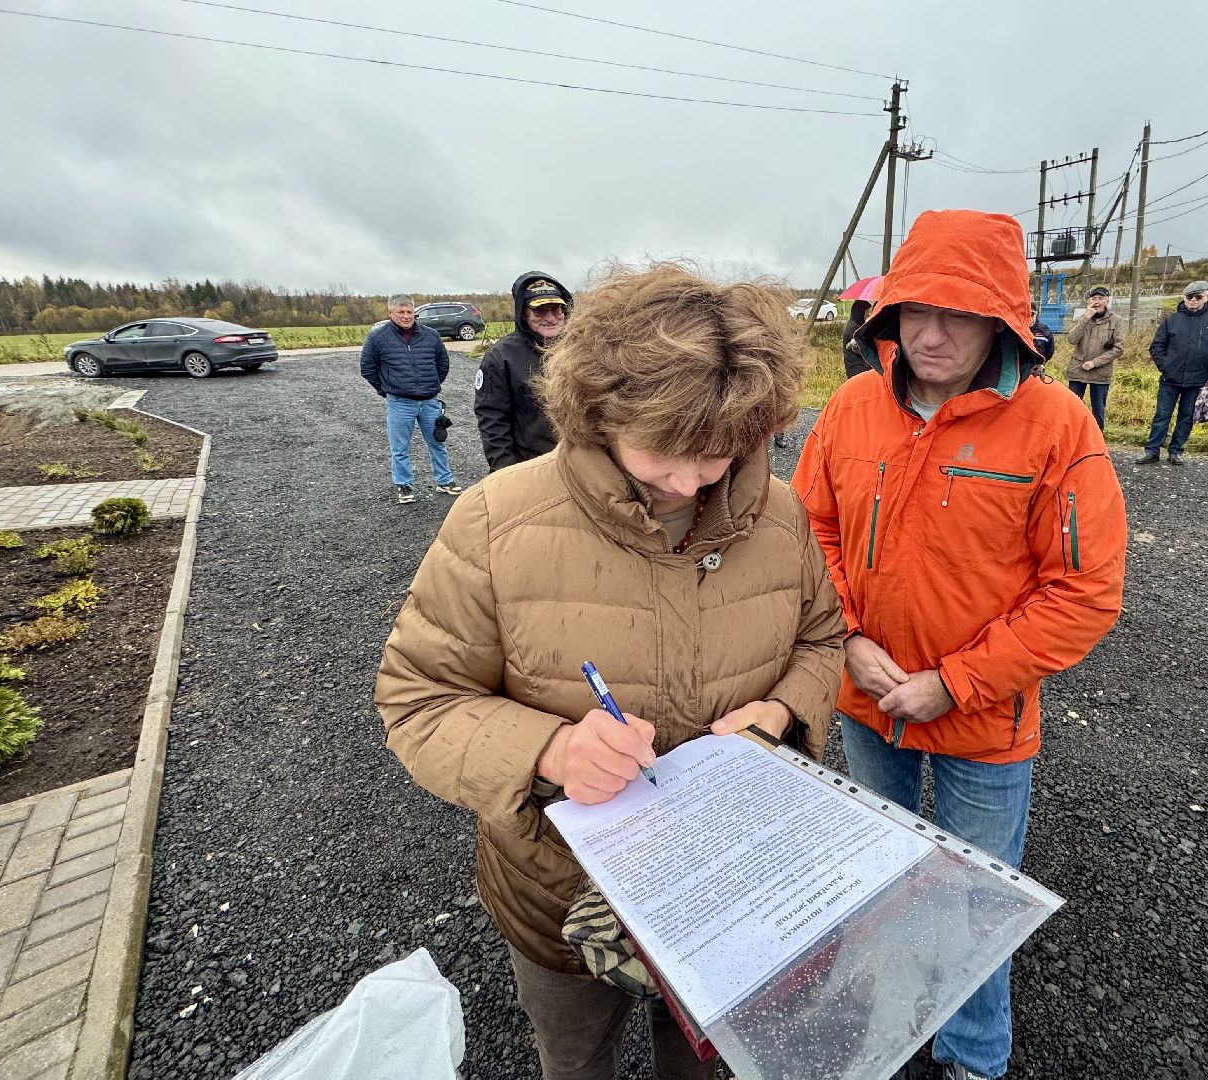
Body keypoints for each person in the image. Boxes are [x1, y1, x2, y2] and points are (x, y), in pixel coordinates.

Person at [377, 263, 847, 1080]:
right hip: (560, 894)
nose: (688, 482)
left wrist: (778, 714)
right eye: (662, 451)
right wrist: (550, 751)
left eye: (718, 454)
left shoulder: (779, 513)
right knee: (576, 1060)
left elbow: (821, 641)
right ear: (598, 410)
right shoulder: (496, 519)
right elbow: (419, 698)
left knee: (701, 1062)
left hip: (726, 884)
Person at [791, 210, 1128, 1080]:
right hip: (865, 703)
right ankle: (884, 1022)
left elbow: (1084, 590)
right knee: (878, 872)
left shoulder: (1056, 426)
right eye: (915, 311)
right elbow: (807, 531)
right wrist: (846, 639)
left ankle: (971, 1058)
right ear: (888, 313)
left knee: (973, 901)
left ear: (1002, 324)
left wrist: (956, 682)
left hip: (984, 724)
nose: (930, 336)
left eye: (959, 315)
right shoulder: (852, 407)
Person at [360, 294, 462, 503]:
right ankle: (404, 485)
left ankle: (444, 481)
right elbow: (368, 368)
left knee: (437, 442)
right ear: (390, 313)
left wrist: (431, 385)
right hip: (399, 403)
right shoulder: (377, 337)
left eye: (409, 312)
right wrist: (386, 390)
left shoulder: (431, 335)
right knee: (399, 449)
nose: (406, 316)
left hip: (429, 401)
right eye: (401, 312)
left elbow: (442, 364)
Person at [474, 271, 572, 471]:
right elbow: (492, 421)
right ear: (523, 313)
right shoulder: (500, 357)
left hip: (579, 464)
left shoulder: (579, 347)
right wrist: (506, 473)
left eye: (556, 309)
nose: (550, 318)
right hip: (532, 467)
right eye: (540, 311)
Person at [1136, 280, 1208, 465]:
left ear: (1207, 296)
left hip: (1199, 380)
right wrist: (1166, 366)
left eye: (1198, 297)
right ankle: (1152, 450)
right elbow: (1156, 346)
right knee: (1162, 415)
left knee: (1186, 417)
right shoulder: (1171, 319)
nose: (1193, 300)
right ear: (1184, 298)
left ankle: (1176, 451)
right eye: (1189, 297)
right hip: (1170, 378)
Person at [1064, 286, 1123, 431]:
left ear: (1107, 301)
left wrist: (1095, 363)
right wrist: (1085, 318)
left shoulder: (1116, 320)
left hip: (1100, 373)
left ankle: (1096, 441)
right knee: (1072, 409)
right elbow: (1072, 339)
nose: (1097, 302)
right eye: (1093, 298)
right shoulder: (1083, 318)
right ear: (1089, 301)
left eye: (1101, 298)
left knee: (1098, 411)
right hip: (1078, 371)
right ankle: (1072, 438)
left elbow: (1118, 349)